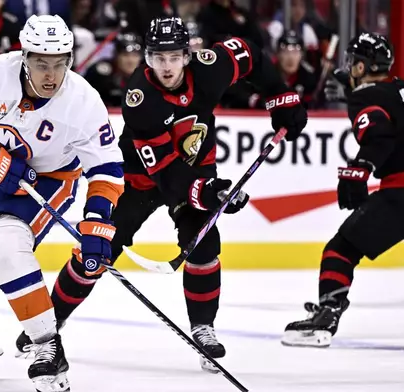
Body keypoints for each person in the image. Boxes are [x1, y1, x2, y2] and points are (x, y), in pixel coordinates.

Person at [16, 16, 308, 371]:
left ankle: (203, 327)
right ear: (147, 58)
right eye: (157, 58)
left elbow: (251, 55)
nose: (165, 67)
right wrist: (208, 193)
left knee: (204, 243)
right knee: (96, 250)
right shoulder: (141, 99)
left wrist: (282, 98)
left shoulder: (210, 68)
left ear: (188, 55)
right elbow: (166, 173)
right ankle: (47, 325)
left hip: (195, 169)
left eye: (173, 57)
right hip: (139, 181)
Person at [0, 14, 124, 392]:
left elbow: (107, 169)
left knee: (4, 248)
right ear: (24, 57)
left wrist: (98, 221)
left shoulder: (83, 101)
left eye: (59, 63)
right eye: (41, 64)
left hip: (49, 181)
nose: (51, 74)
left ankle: (47, 346)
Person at [282, 33, 404, 348]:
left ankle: (327, 315)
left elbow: (379, 136)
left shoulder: (364, 98)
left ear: (363, 66)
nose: (349, 66)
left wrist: (359, 170)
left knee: (340, 250)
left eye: (354, 62)